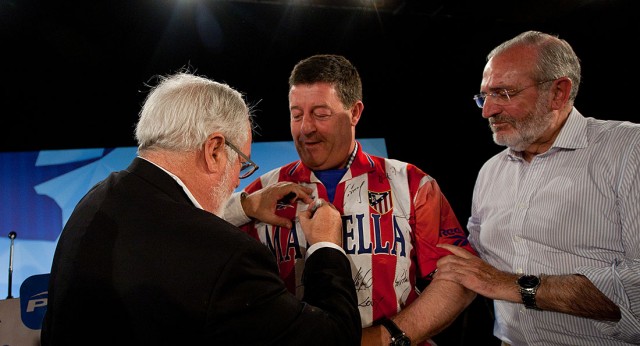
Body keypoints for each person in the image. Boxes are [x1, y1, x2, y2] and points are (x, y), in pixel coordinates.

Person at [40, 71, 362, 345]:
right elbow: (332, 336)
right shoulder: (229, 257)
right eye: (242, 163)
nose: (238, 178)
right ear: (214, 149)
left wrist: (245, 206)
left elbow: (168, 224)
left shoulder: (97, 199)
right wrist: (325, 246)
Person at [222, 54, 477, 345]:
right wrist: (244, 206)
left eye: (320, 114)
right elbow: (192, 241)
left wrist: (386, 338)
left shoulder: (411, 183)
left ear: (354, 113)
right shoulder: (261, 192)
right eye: (296, 114)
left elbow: (460, 276)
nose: (306, 128)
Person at [434, 30, 640, 345]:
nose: (487, 111)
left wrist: (513, 286)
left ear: (558, 92)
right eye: (484, 96)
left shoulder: (628, 151)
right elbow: (472, 267)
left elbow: (637, 291)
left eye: (503, 93)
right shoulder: (491, 172)